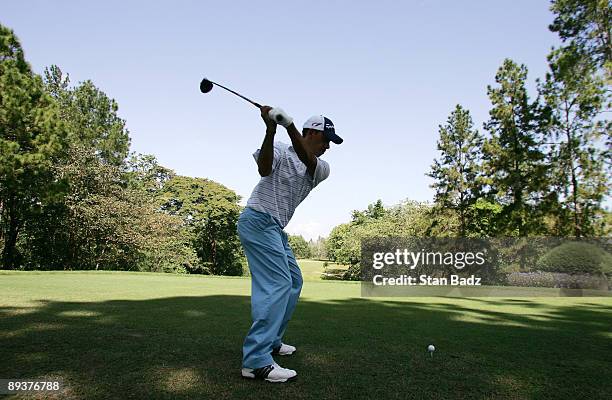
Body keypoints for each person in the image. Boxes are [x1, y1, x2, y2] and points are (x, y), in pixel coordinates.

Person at [238, 106, 343, 383]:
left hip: (274, 228)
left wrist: (288, 124)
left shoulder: (321, 167)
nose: (327, 148)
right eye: (326, 140)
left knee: (294, 282)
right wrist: (271, 129)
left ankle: (272, 340)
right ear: (311, 133)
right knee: (278, 284)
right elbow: (263, 169)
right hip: (258, 219)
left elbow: (306, 157)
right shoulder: (282, 148)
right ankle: (256, 361)